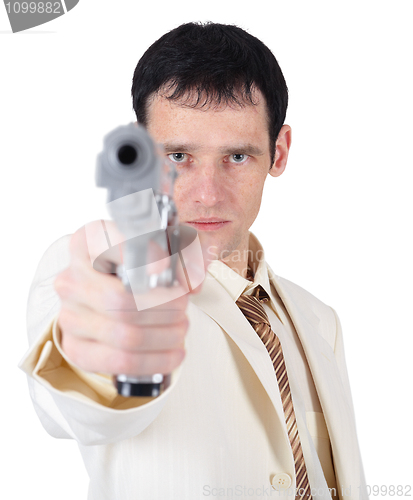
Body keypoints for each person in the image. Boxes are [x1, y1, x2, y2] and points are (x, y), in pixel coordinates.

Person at [20, 22, 367, 500]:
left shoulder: (318, 320)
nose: (207, 194)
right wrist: (109, 356)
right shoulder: (106, 272)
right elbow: (78, 403)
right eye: (179, 155)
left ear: (279, 152)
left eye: (238, 157)